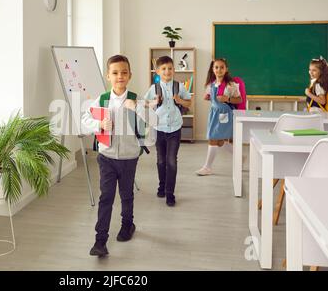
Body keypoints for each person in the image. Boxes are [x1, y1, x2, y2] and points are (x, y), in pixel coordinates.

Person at [81, 55, 157, 257]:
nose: (120, 76)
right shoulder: (103, 100)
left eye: (124, 72)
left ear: (130, 75)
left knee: (126, 195)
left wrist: (138, 107)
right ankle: (100, 241)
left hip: (129, 158)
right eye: (115, 73)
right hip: (106, 157)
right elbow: (85, 119)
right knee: (106, 197)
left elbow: (155, 120)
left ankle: (127, 225)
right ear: (108, 76)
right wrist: (99, 125)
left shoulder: (136, 98)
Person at [144, 56, 192, 206]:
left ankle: (170, 193)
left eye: (170, 68)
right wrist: (154, 101)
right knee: (161, 160)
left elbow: (189, 102)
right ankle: (162, 186)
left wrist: (180, 100)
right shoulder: (154, 88)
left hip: (175, 129)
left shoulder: (179, 86)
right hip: (159, 128)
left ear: (174, 70)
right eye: (163, 69)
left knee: (171, 161)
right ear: (158, 71)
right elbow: (145, 104)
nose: (167, 71)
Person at [196, 58, 242, 176]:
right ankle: (241, 157)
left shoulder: (231, 85)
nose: (219, 70)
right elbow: (211, 98)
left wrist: (228, 99)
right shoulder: (211, 85)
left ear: (226, 69)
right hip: (214, 114)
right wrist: (208, 98)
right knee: (220, 141)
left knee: (213, 138)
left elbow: (239, 99)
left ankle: (207, 167)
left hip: (225, 114)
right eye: (216, 67)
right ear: (213, 69)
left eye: (222, 67)